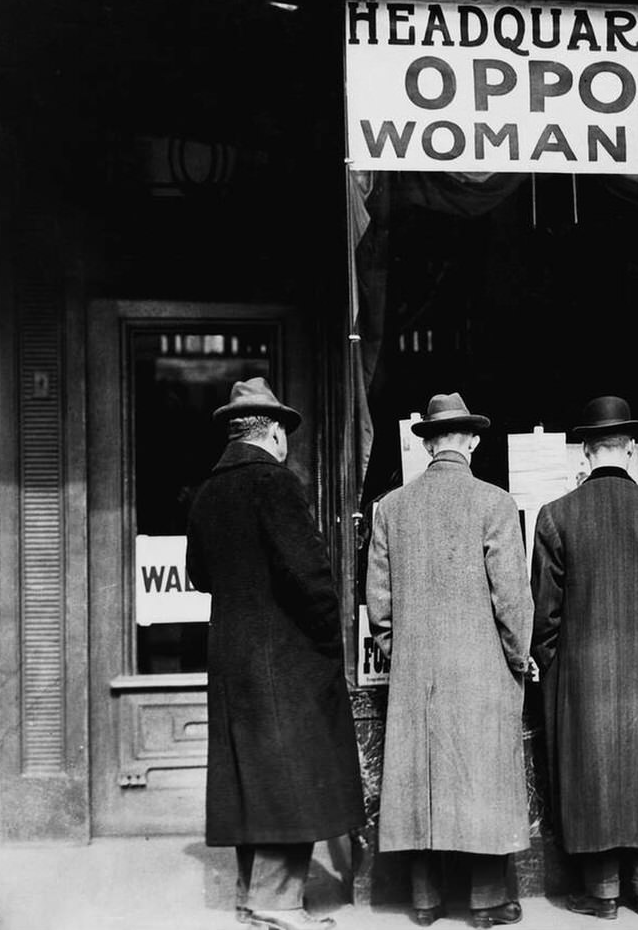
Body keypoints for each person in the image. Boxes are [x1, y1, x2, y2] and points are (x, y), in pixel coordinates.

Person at [185, 378, 364, 930]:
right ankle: (276, 902)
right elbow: (310, 576)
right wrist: (328, 641)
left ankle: (251, 895)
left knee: (251, 778)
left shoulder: (207, 491)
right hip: (285, 658)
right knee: (291, 777)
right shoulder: (276, 483)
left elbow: (198, 575)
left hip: (231, 655)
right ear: (276, 434)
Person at [530, 395, 638, 919]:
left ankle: (602, 893)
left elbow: (545, 616)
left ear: (585, 451)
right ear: (630, 449)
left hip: (583, 679)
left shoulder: (555, 516)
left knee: (593, 779)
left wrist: (558, 671)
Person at [366, 393, 532, 928]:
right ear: (473, 441)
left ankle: (424, 900)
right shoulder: (495, 502)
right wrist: (518, 657)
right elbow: (512, 598)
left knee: (422, 782)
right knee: (483, 780)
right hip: (482, 670)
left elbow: (379, 604)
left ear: (428, 444)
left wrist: (403, 654)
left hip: (416, 672)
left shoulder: (391, 507)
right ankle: (486, 903)